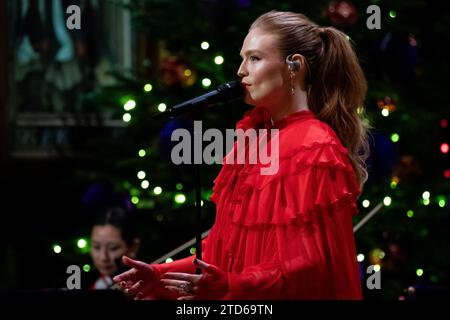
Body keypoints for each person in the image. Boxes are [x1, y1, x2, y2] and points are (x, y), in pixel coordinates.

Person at [113, 10, 369, 300]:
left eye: (255, 58)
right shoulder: (254, 139)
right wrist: (160, 274)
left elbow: (305, 269)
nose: (241, 71)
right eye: (243, 57)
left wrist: (232, 287)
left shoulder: (314, 146)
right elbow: (222, 253)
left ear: (294, 67)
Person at [90, 206, 140, 290]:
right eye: (96, 247)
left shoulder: (138, 286)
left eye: (113, 248)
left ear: (133, 247)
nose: (103, 257)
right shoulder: (98, 284)